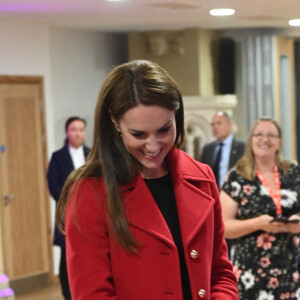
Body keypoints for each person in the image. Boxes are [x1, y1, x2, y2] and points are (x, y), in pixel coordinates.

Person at [56, 60, 239, 300]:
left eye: (164, 130)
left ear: (176, 116)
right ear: (114, 121)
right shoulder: (90, 191)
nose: (153, 146)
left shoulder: (202, 176)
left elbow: (220, 273)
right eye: (138, 134)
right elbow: (92, 293)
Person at [220, 117, 300, 299]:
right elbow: (223, 227)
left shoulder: (293, 172)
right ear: (251, 140)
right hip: (251, 270)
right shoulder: (236, 177)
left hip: (290, 268)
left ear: (279, 141)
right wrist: (257, 224)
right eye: (259, 134)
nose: (265, 139)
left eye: (271, 135)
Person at [47, 116, 90, 300]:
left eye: (81, 129)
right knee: (67, 257)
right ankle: (68, 295)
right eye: (74, 129)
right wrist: (71, 201)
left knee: (90, 256)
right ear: (67, 132)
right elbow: (53, 184)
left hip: (90, 213)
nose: (78, 133)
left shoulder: (92, 153)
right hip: (67, 214)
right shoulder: (58, 156)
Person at [201, 111, 245, 188]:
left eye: (219, 123)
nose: (215, 127)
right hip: (213, 194)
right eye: (213, 124)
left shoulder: (242, 147)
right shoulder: (208, 149)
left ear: (229, 124)